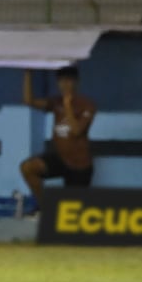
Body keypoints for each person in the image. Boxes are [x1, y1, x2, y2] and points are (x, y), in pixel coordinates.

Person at [20, 66, 96, 214]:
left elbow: (76, 131)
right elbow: (28, 100)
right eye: (61, 81)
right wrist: (28, 72)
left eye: (68, 81)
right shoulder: (55, 102)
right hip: (60, 159)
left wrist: (67, 105)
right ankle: (45, 207)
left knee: (71, 213)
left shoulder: (87, 105)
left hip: (80, 167)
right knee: (28, 168)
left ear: (76, 82)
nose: (64, 85)